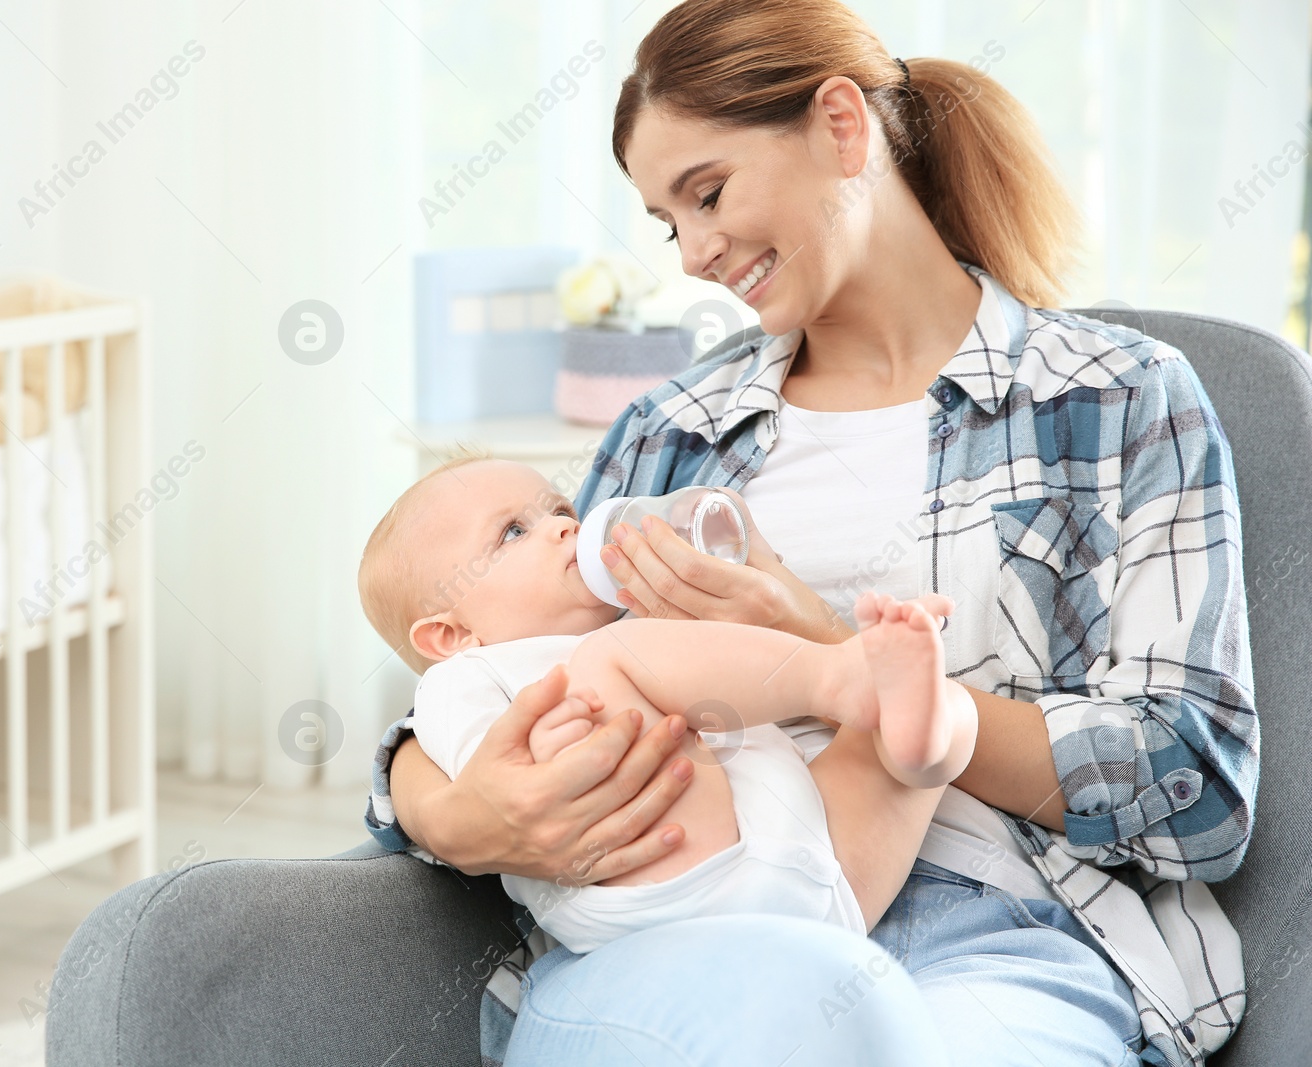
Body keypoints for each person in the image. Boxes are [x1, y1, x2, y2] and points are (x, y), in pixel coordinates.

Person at [364, 1, 1257, 1064]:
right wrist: (455, 814)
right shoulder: (673, 433)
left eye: (708, 193)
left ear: (841, 127)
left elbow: (1195, 788)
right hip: (680, 934)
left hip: (1000, 929)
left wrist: (833, 650)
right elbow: (493, 659)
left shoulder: (1115, 398)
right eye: (666, 222)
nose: (693, 252)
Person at [357, 452, 978, 954]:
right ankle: (837, 674)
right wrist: (543, 756)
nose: (563, 528)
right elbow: (486, 781)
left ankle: (920, 744)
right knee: (613, 653)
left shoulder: (646, 629)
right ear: (450, 634)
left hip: (824, 886)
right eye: (514, 532)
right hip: (659, 885)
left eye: (559, 508)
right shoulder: (464, 676)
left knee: (941, 709)